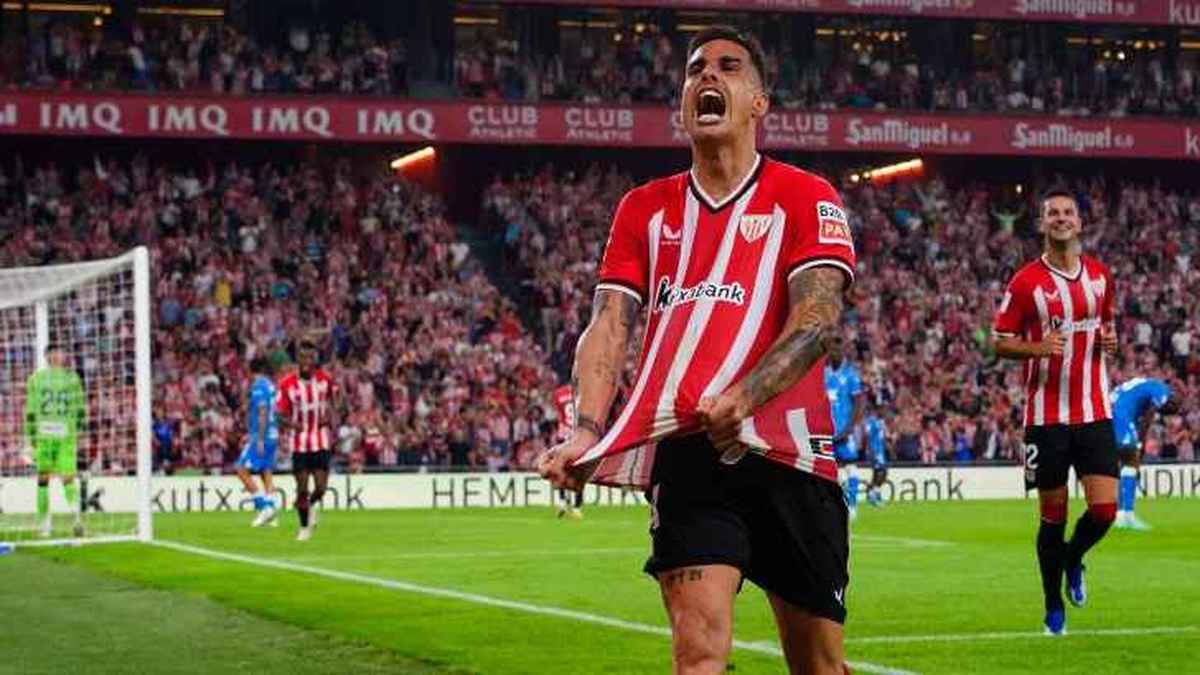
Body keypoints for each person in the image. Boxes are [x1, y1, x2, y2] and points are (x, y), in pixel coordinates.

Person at [539, 25, 856, 674]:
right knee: (699, 655)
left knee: (820, 667)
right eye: (695, 69)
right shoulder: (643, 209)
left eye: (729, 66)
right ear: (683, 103)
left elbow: (819, 319)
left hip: (792, 454)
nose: (707, 75)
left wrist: (746, 396)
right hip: (689, 453)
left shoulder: (807, 196)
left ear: (760, 102)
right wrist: (586, 430)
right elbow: (609, 324)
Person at [993, 187, 1119, 636]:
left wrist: (1110, 342)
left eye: (1068, 212)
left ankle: (1073, 559)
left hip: (1094, 411)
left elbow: (1106, 327)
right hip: (1046, 419)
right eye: (1053, 213)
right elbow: (1000, 341)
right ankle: (1052, 606)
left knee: (1105, 511)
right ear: (1042, 223)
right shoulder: (1025, 282)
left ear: (1080, 222)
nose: (1061, 218)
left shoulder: (1101, 276)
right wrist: (1037, 348)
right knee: (1053, 517)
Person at [276, 338, 340, 542]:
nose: (306, 361)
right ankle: (304, 527)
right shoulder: (287, 384)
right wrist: (291, 424)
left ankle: (312, 506)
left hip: (320, 440)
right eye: (303, 357)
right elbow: (279, 414)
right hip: (300, 442)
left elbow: (338, 399)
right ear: (298, 359)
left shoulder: (324, 380)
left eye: (310, 357)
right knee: (302, 488)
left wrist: (331, 416)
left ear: (315, 359)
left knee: (321, 488)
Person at [25, 346, 87, 538]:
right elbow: (80, 408)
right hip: (65, 433)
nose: (62, 355)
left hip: (44, 433)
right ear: (52, 356)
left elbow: (31, 411)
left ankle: (45, 526)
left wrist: (31, 437)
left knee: (44, 479)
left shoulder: (35, 379)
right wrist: (79, 429)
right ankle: (75, 517)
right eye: (60, 352)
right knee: (65, 478)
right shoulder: (72, 379)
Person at [1109, 377, 1176, 531]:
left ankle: (1122, 514)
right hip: (1120, 414)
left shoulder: (1144, 386)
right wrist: (1140, 441)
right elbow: (1150, 414)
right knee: (1130, 460)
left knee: (1126, 463)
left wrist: (1140, 443)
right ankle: (1127, 514)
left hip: (1109, 411)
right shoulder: (1162, 390)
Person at [235, 358, 280, 528]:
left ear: (251, 370)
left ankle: (264, 507)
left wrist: (259, 438)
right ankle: (272, 515)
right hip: (272, 434)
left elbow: (262, 411)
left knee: (241, 470)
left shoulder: (259, 386)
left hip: (263, 435)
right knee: (265, 472)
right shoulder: (271, 386)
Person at [825, 335, 865, 520]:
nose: (834, 353)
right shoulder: (822, 373)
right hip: (825, 431)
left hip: (844, 431)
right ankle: (835, 505)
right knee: (829, 470)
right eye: (831, 350)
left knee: (851, 466)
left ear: (842, 352)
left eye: (837, 350)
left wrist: (850, 428)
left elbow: (859, 402)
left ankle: (853, 505)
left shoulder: (850, 374)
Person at [863, 407, 889, 507]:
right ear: (878, 410)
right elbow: (868, 436)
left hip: (880, 450)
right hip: (875, 450)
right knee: (882, 472)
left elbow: (882, 436)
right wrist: (871, 451)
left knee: (877, 473)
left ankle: (873, 494)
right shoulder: (871, 421)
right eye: (883, 409)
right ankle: (874, 493)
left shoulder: (881, 421)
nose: (885, 411)